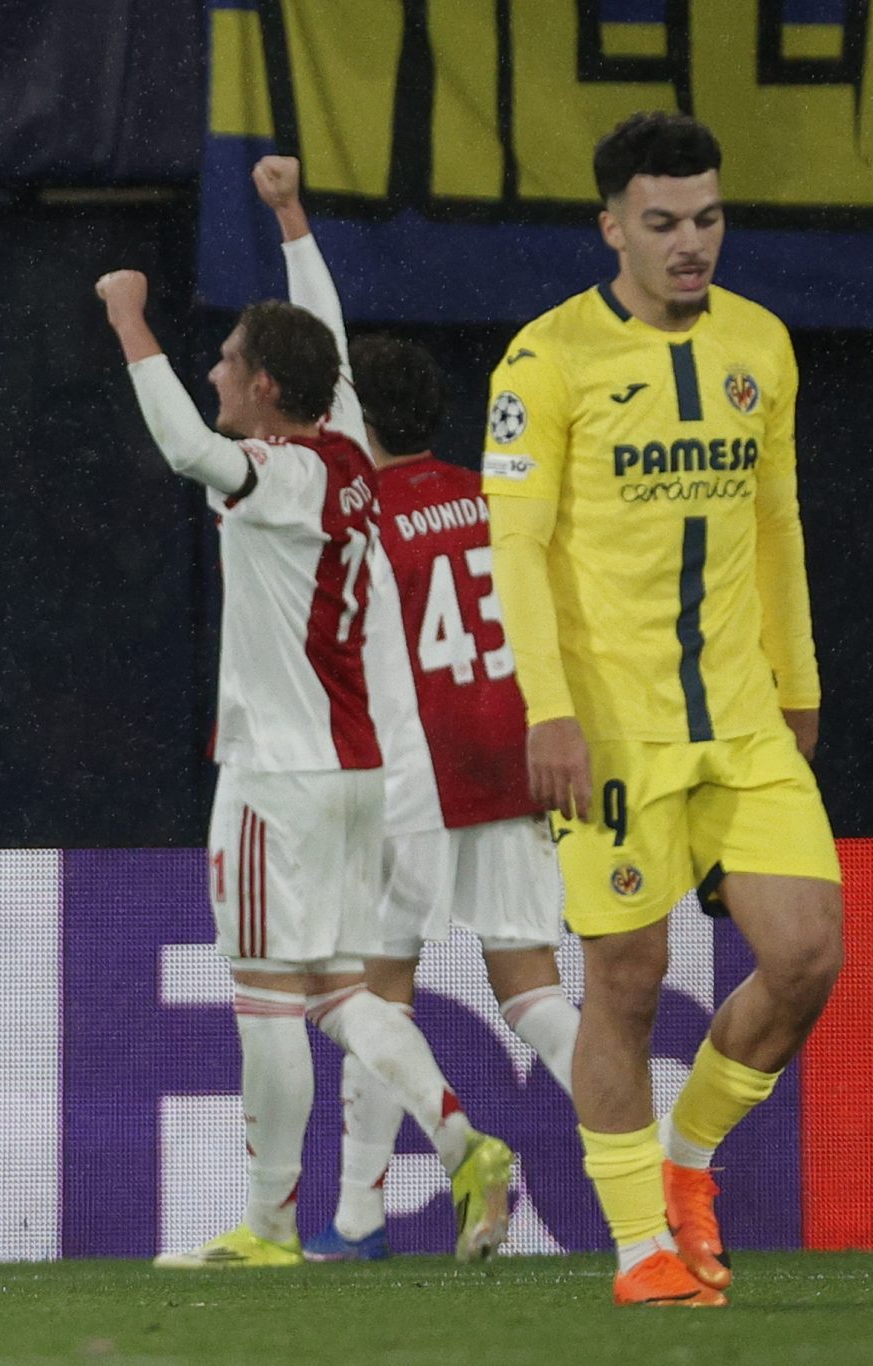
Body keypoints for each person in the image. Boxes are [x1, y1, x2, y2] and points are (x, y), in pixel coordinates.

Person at [105, 156, 513, 1272]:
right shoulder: (345, 447)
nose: (212, 369)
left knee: (265, 997)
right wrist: (290, 219)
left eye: (227, 360)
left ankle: (271, 1226)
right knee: (337, 988)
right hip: (354, 774)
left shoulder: (280, 474)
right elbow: (322, 329)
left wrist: (129, 321)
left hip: (276, 777)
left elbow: (186, 448)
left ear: (267, 390)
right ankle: (464, 1140)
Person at [483, 112, 840, 1308]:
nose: (690, 242)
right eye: (662, 222)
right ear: (610, 228)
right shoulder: (543, 362)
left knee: (806, 953)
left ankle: (687, 1166)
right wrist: (546, 710)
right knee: (626, 976)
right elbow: (514, 548)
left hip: (740, 714)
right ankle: (640, 1249)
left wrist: (797, 682)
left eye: (706, 218)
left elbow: (776, 521)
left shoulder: (760, 344)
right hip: (610, 726)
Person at [244, 163, 582, 1263]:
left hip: (415, 775)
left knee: (370, 992)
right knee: (533, 991)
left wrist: (290, 220)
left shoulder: (361, 508)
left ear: (354, 412)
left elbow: (326, 348)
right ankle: (663, 1163)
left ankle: (356, 1217)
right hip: (513, 761)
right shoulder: (491, 501)